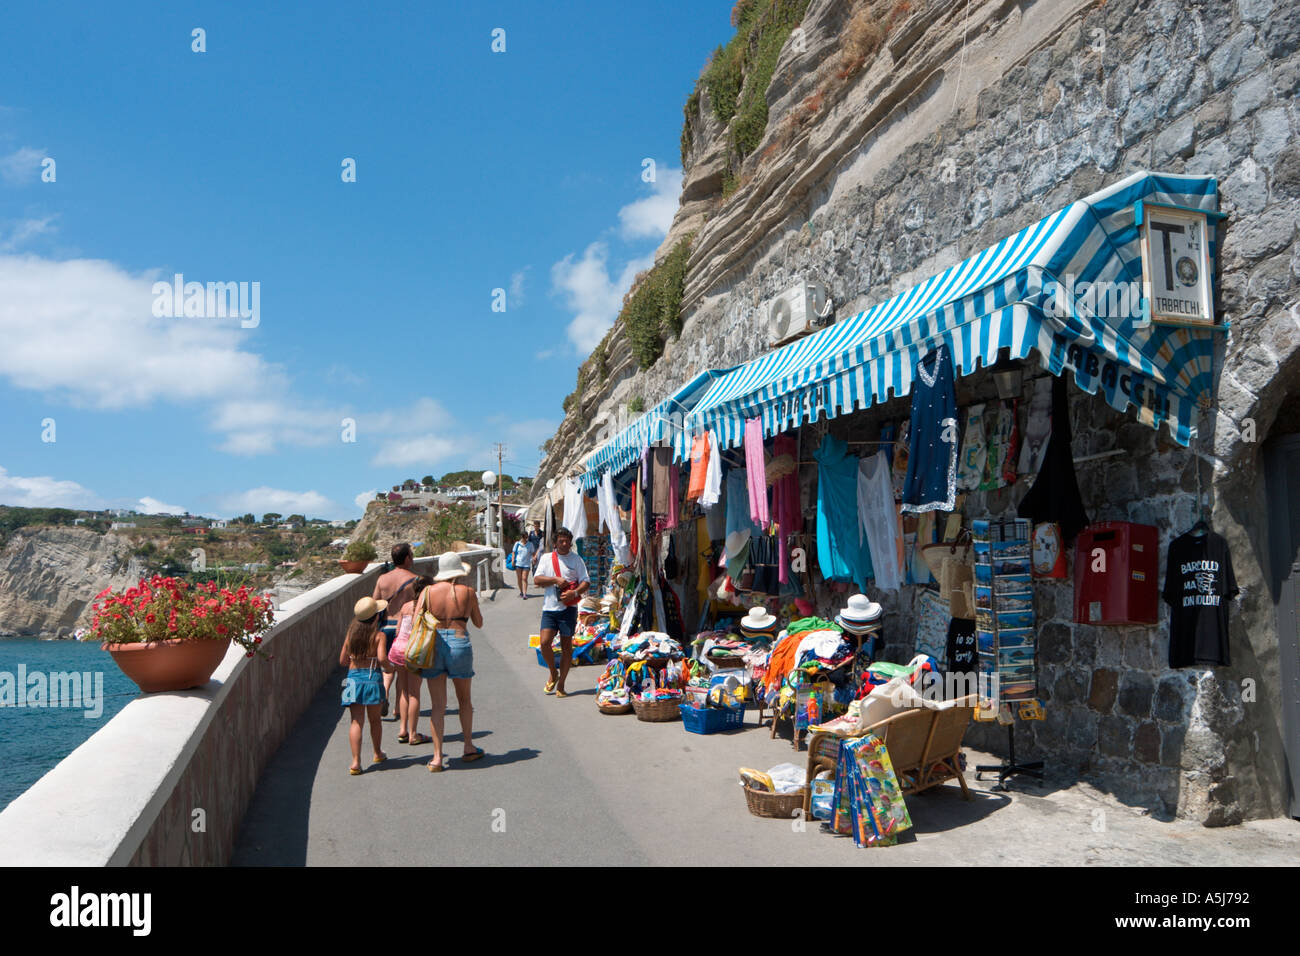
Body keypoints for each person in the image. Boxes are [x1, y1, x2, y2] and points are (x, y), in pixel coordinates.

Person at [419, 551, 485, 771]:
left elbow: (418, 619)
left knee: (437, 705)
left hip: (434, 645)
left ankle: (437, 758)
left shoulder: (428, 592)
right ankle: (468, 746)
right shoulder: (468, 592)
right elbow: (478, 623)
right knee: (464, 700)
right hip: (459, 642)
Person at [533, 526, 590, 698]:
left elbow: (586, 581)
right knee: (544, 642)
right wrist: (556, 580)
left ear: (571, 542)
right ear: (555, 542)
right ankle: (553, 672)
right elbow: (537, 579)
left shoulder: (576, 559)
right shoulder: (546, 558)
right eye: (561, 541)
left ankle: (562, 685)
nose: (564, 544)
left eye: (567, 541)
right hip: (550, 608)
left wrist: (574, 592)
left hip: (568, 609)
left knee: (567, 647)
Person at [340, 596, 394, 775]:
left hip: (353, 679)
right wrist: (390, 668)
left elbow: (342, 660)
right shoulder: (379, 636)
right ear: (376, 617)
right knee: (374, 720)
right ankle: (377, 753)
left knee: (356, 721)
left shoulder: (351, 635)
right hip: (371, 679)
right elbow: (382, 659)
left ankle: (355, 762)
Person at [373, 542, 418, 718]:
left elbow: (374, 604)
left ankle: (384, 693)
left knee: (387, 667)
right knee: (402, 670)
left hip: (385, 626)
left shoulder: (382, 579)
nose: (412, 559)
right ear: (406, 558)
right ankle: (398, 708)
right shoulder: (414, 580)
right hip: (404, 628)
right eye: (411, 556)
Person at [390, 575, 434, 746]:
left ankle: (402, 729)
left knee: (403, 691)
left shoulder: (405, 606)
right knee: (414, 692)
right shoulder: (426, 607)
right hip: (413, 651)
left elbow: (398, 629)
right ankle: (413, 733)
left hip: (398, 649)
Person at [511, 533, 535, 599]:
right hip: (518, 563)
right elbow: (513, 552)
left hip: (526, 564)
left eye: (526, 538)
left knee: (524, 578)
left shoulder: (530, 544)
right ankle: (521, 592)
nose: (525, 539)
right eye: (524, 538)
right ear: (521, 537)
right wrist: (513, 560)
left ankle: (524, 594)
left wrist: (533, 559)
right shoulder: (517, 544)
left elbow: (533, 553)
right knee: (519, 579)